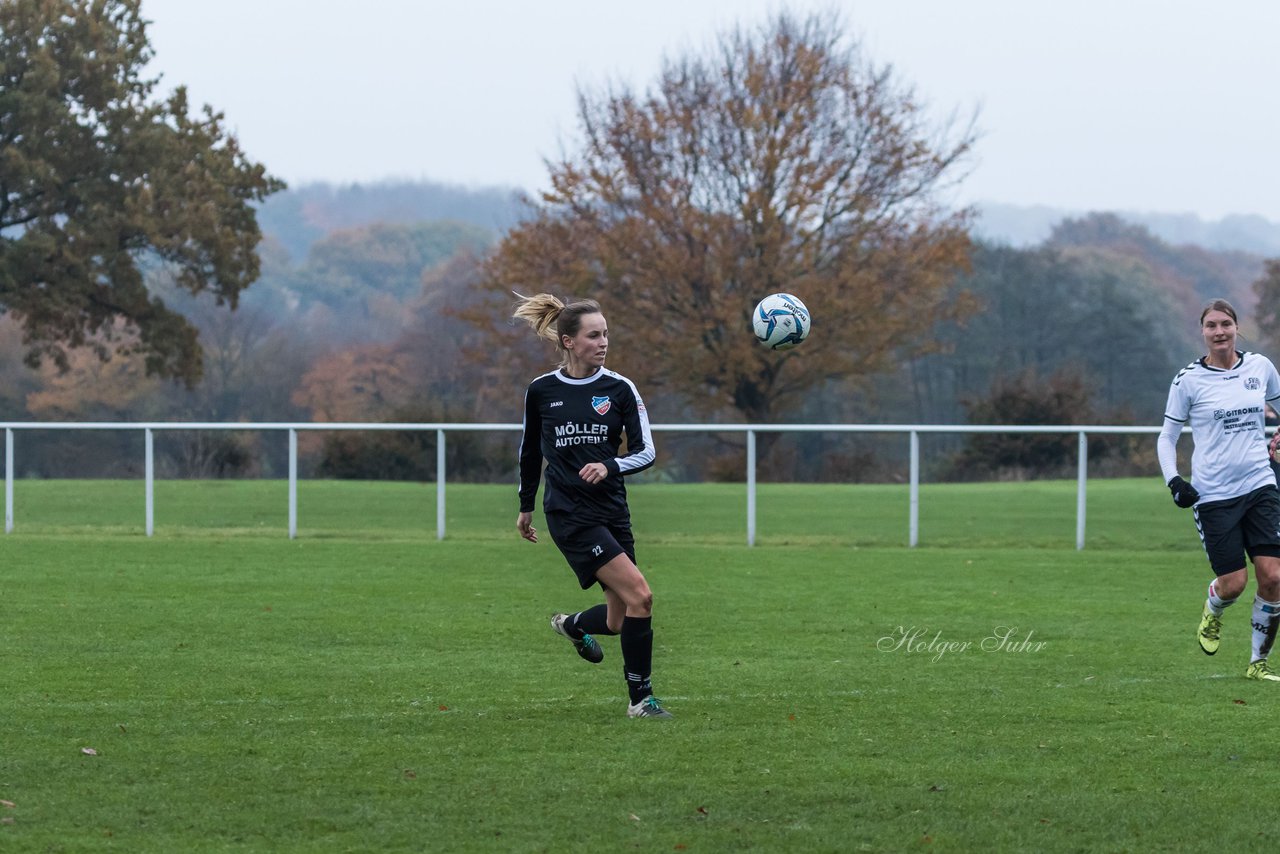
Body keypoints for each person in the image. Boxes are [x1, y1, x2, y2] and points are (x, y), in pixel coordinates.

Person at [512, 292, 673, 719]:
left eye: (606, 334)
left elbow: (646, 451)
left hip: (612, 511)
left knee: (621, 619)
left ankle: (574, 624)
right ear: (568, 341)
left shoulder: (619, 389)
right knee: (643, 596)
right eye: (593, 335)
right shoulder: (542, 390)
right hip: (569, 514)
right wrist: (526, 505)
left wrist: (610, 465)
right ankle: (641, 700)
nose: (603, 343)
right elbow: (530, 451)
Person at [1157, 298, 1280, 681]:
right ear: (1203, 332)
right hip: (1213, 495)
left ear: (1236, 327)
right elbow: (1167, 436)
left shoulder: (1260, 367)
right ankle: (1214, 610)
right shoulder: (1188, 380)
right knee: (1234, 583)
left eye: (1225, 324)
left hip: (1261, 484)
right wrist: (1175, 481)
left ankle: (1258, 663)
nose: (1219, 331)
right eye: (1211, 326)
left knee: (1274, 577)